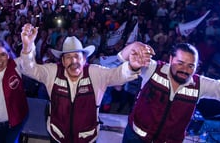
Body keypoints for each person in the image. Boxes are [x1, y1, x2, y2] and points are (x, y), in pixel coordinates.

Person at [19, 23, 152, 143]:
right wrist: (27, 46)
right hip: (57, 137)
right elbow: (29, 69)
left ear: (84, 59)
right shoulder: (52, 72)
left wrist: (132, 67)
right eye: (68, 57)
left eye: (77, 56)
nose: (74, 61)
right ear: (63, 61)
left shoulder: (95, 73)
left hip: (86, 139)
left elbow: (118, 75)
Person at [120, 42, 220, 143]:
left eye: (190, 66)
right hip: (135, 138)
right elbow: (121, 58)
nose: (184, 69)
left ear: (196, 67)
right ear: (170, 60)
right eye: (180, 63)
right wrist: (135, 46)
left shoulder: (200, 84)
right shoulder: (153, 69)